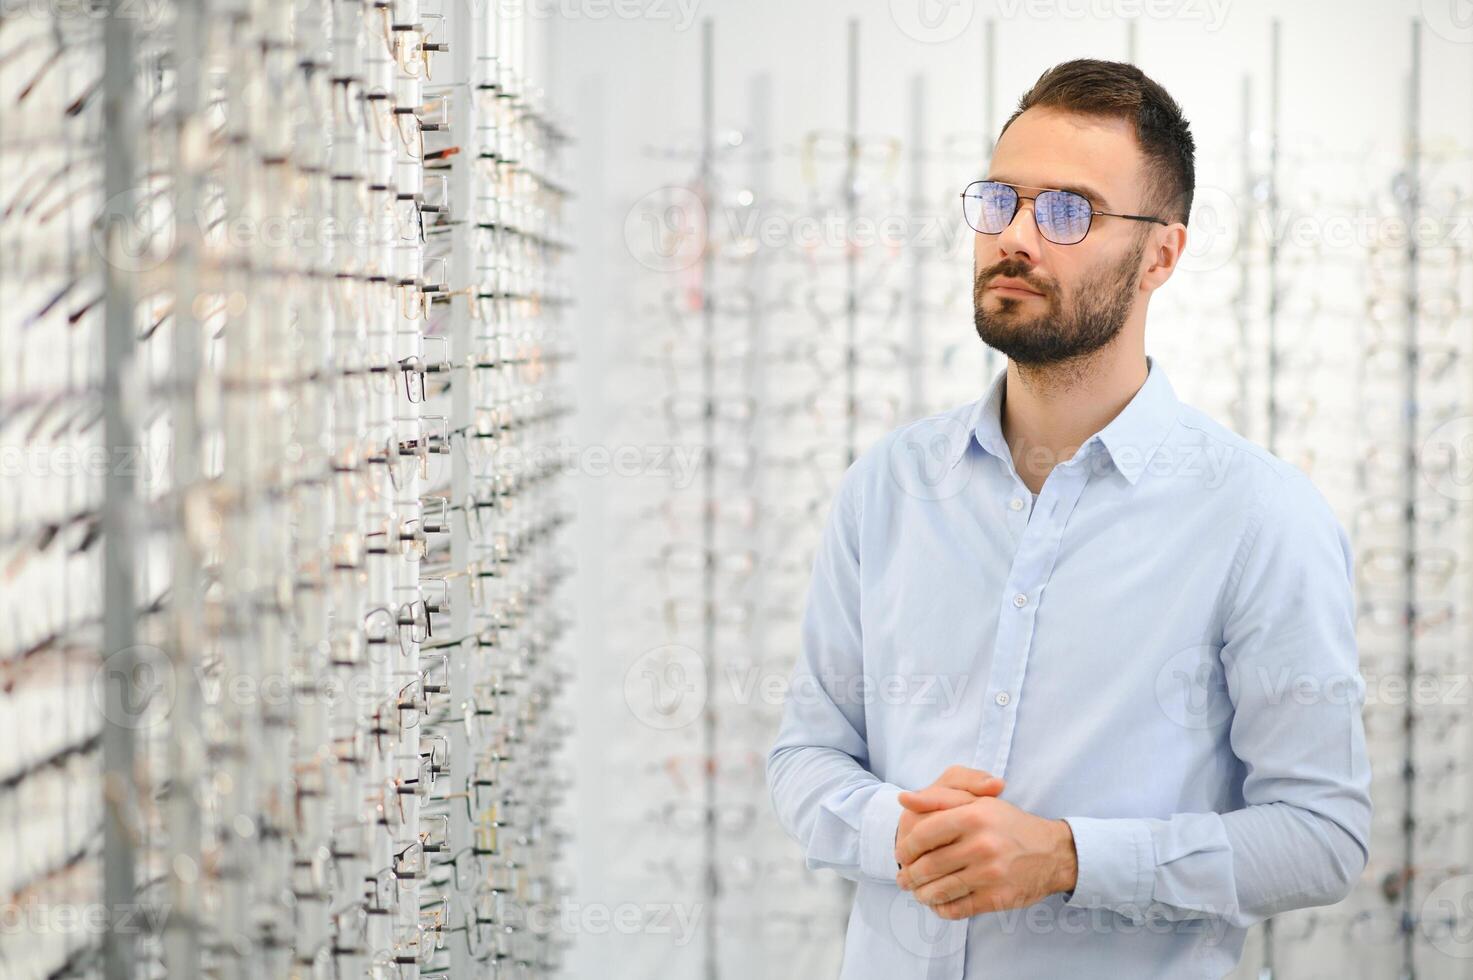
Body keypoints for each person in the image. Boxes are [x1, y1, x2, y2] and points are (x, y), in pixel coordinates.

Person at [766, 58, 1371, 980]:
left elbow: (1321, 837)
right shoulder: (887, 487)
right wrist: (897, 830)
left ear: (1160, 256)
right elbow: (808, 754)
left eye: (1067, 211)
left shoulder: (1259, 518)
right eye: (1000, 199)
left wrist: (1066, 858)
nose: (1015, 236)